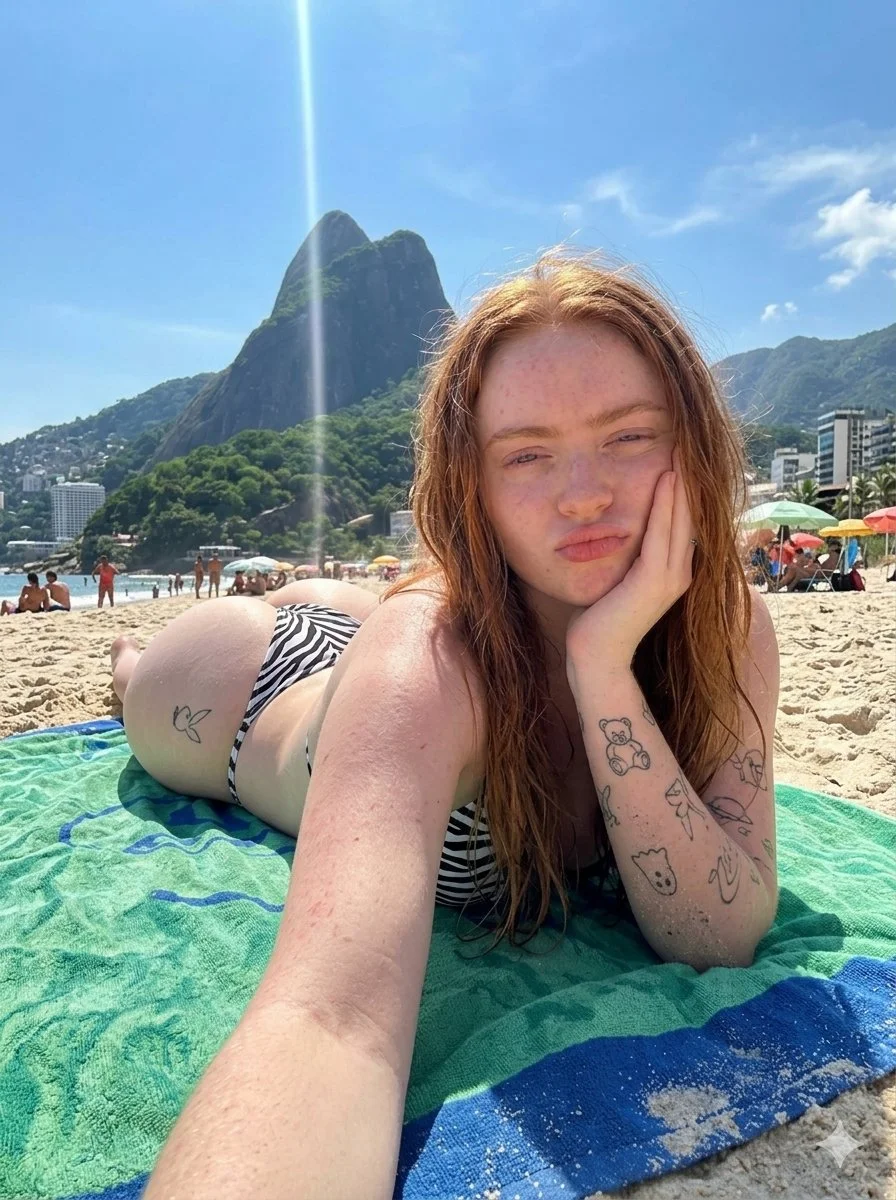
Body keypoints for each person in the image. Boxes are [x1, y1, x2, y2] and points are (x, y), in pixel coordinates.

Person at [119, 252, 779, 1200]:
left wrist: (602, 669)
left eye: (630, 436)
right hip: (241, 689)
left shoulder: (726, 628)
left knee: (372, 617)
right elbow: (326, 1022)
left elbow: (722, 932)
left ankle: (349, 603)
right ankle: (133, 662)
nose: (583, 493)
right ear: (472, 486)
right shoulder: (431, 667)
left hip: (378, 638)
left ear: (696, 447)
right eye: (526, 453)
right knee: (150, 682)